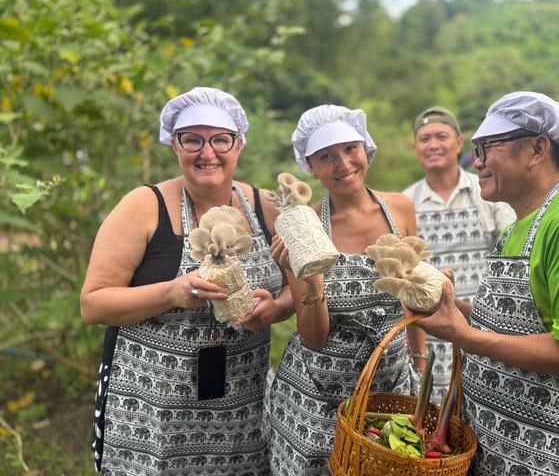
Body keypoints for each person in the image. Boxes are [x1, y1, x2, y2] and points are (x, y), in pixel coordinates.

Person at [80, 87, 294, 475]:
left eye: (220, 139)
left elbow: (303, 285)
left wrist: (277, 309)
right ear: (174, 144)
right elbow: (93, 304)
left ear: (239, 144)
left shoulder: (266, 207)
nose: (207, 152)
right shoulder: (144, 206)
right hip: (153, 411)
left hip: (240, 408)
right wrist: (172, 292)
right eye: (192, 139)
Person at [415, 91, 559, 476]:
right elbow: (513, 327)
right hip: (497, 452)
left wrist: (464, 336)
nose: (477, 162)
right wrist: (448, 306)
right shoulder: (514, 230)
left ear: (536, 149)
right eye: (476, 151)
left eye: (486, 148)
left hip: (551, 458)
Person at [268, 104, 425, 476]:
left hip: (389, 385)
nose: (343, 164)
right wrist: (310, 278)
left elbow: (414, 295)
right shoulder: (303, 227)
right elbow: (314, 337)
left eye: (350, 149)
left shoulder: (400, 209)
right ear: (310, 165)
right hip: (319, 398)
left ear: (365, 148)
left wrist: (418, 366)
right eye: (326, 156)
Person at [402, 106, 515, 404]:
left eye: (441, 136)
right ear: (415, 148)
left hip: (483, 328)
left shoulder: (486, 192)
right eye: (424, 139)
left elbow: (510, 249)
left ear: (459, 143)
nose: (433, 145)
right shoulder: (405, 202)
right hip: (429, 334)